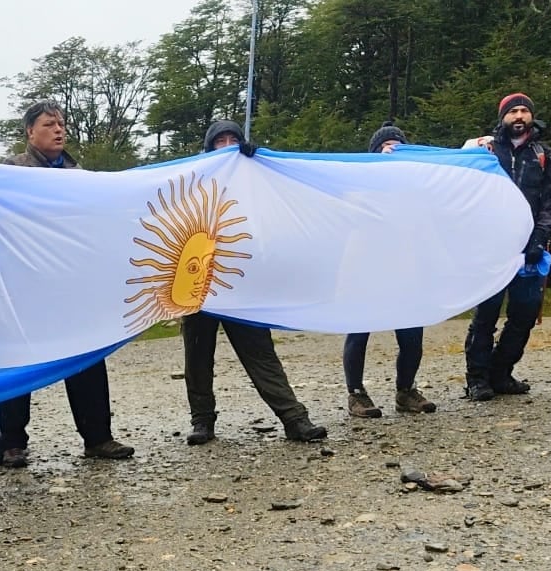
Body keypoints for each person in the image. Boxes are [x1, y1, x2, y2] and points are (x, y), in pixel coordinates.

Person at [0, 100, 136, 466]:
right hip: (24, 286)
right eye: (48, 124)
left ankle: (98, 437)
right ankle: (12, 442)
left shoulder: (80, 176)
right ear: (30, 132)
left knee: (86, 357)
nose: (58, 130)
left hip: (70, 288)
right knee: (17, 361)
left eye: (61, 123)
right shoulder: (9, 172)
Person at [182, 120, 328, 445]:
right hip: (200, 285)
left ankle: (294, 418)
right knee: (197, 356)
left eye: (234, 139)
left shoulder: (254, 182)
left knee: (260, 352)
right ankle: (202, 420)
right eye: (220, 140)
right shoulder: (194, 180)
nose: (228, 144)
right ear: (210, 147)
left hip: (242, 284)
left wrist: (257, 161)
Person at [463, 93, 551, 400]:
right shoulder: (486, 152)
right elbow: (461, 182)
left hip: (530, 248)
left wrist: (539, 237)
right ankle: (477, 379)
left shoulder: (545, 156)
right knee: (486, 314)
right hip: (492, 247)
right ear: (503, 117)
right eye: (513, 112)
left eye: (524, 111)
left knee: (524, 312)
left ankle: (501, 372)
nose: (518, 116)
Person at [344, 123, 436, 417]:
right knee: (358, 332)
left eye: (398, 144)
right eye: (386, 145)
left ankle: (406, 391)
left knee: (412, 335)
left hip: (406, 269)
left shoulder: (416, 187)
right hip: (365, 269)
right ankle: (356, 395)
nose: (392, 148)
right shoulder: (357, 186)